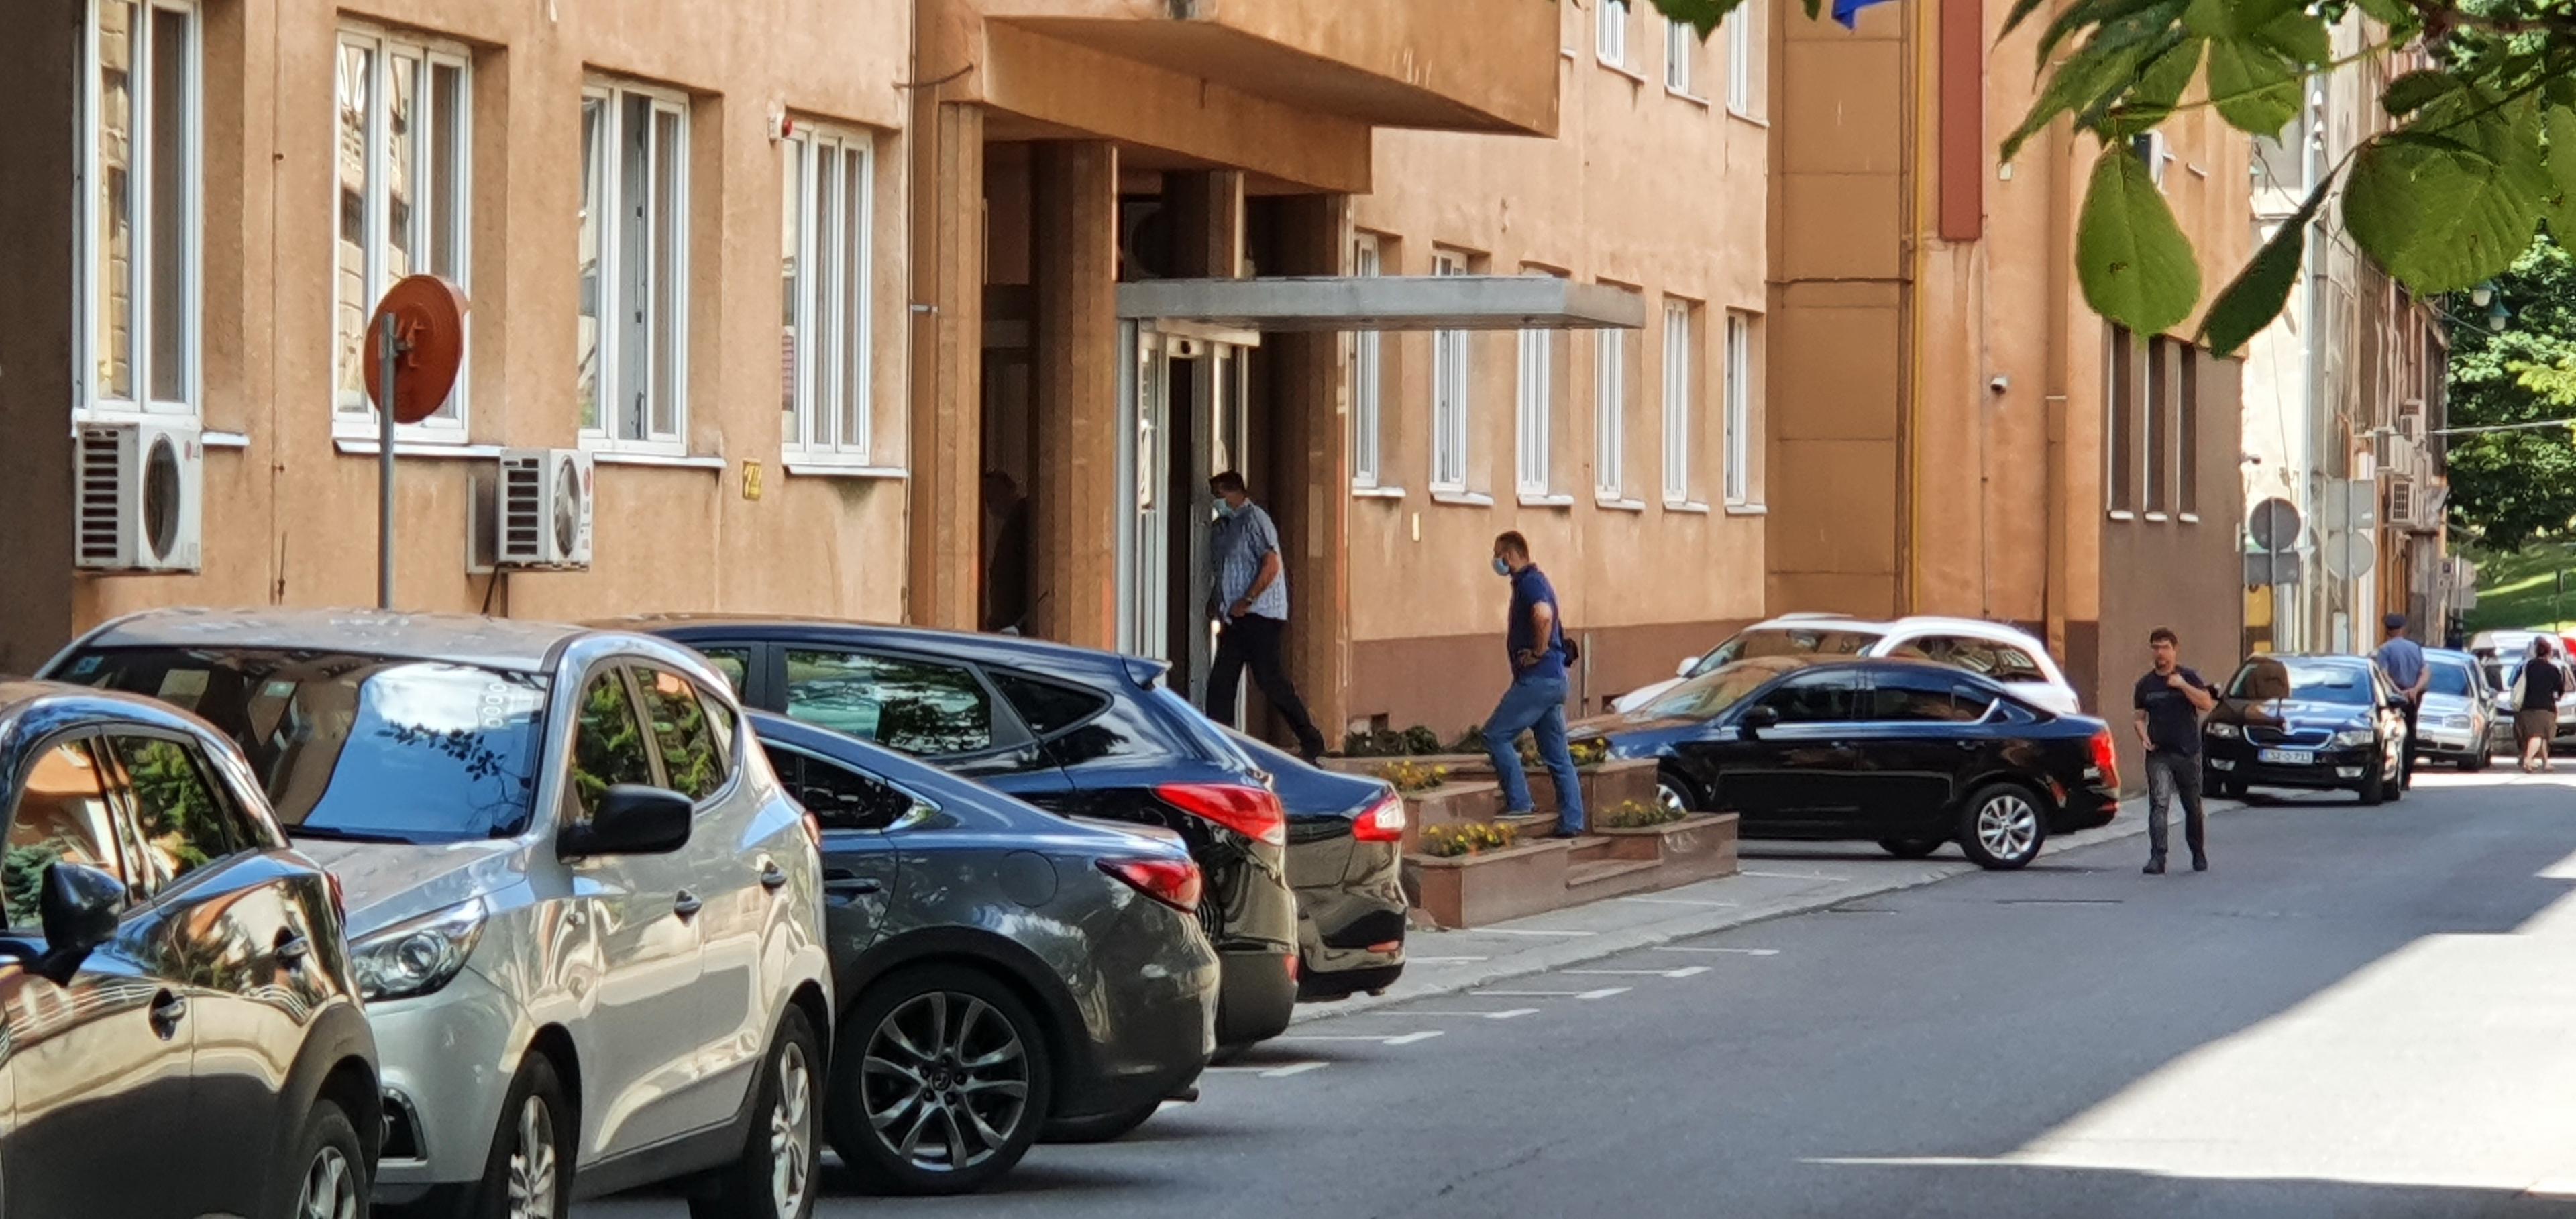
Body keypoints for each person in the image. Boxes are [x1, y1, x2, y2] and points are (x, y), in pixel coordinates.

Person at [1203, 471, 1328, 761]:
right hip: (1235, 618)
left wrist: (1248, 599)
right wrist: (1217, 601)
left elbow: (1271, 564)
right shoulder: (1225, 526)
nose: (1215, 501)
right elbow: (1224, 571)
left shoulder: (1254, 519)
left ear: (1231, 491)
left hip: (1259, 615)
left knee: (1270, 681)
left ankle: (1311, 738)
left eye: (1217, 495)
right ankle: (1219, 745)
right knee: (1221, 682)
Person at [1482, 532, 1586, 838]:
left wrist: (1539, 652)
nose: (1497, 562)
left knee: (1495, 735)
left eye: (1498, 555)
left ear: (1511, 556)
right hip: (1555, 681)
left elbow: (1543, 616)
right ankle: (1572, 821)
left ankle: (1520, 803)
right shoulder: (1535, 581)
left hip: (1538, 680)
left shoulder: (1530, 582)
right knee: (1557, 755)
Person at [2133, 626, 2217, 875]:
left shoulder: (2188, 677)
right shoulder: (2145, 685)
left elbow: (2205, 703)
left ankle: (2198, 852)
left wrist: (2182, 686)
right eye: (2156, 648)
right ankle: (2158, 857)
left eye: (2165, 648)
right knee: (2159, 803)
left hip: (2187, 752)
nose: (2161, 653)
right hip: (2159, 753)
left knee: (2192, 805)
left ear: (2174, 650)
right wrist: (2143, 735)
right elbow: (2139, 716)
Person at [2375, 613, 2431, 788]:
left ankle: (2393, 771)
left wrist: (2398, 691)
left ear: (2387, 630)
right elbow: (2426, 672)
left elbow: (2383, 674)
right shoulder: (2415, 648)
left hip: (2394, 700)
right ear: (2403, 629)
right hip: (2413, 699)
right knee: (2410, 737)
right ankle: (2407, 776)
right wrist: (2414, 690)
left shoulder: (2384, 650)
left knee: (2393, 735)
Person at [981, 471, 1030, 634]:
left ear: (1010, 489)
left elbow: (1011, 573)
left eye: (993, 494)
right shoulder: (1013, 521)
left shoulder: (1021, 517)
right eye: (987, 498)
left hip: (1015, 620)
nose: (990, 503)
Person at [2510, 637, 2565, 773]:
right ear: (2549, 653)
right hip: (2545, 707)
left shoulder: (2527, 667)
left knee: (2536, 735)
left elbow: (2514, 682)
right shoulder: (2552, 669)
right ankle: (2528, 759)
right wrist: (2557, 696)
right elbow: (2560, 689)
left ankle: (2545, 762)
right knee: (2539, 735)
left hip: (2526, 707)